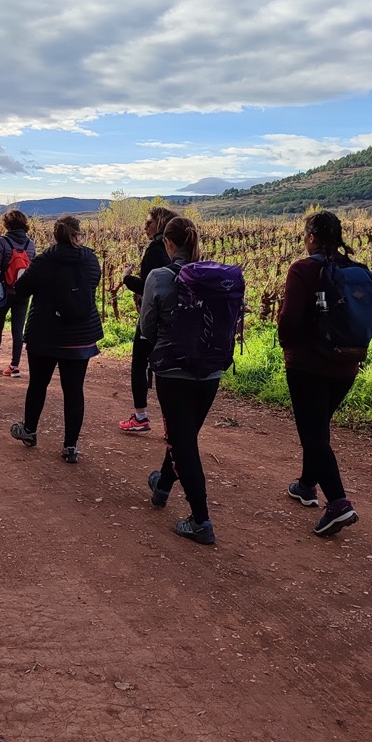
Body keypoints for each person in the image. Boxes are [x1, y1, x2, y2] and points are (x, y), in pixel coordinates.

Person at [278, 211, 365, 538]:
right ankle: (306, 485)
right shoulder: (355, 270)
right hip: (346, 366)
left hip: (308, 365)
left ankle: (338, 503)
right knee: (318, 427)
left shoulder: (303, 269)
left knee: (313, 433)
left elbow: (289, 319)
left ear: (311, 237)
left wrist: (289, 346)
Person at [139, 217, 225, 547]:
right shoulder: (217, 276)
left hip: (173, 370)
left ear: (169, 244)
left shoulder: (159, 276)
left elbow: (147, 328)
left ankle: (201, 520)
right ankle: (161, 485)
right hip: (211, 371)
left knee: (183, 440)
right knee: (184, 433)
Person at [9, 215, 103, 464]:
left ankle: (29, 431)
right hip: (81, 336)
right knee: (74, 392)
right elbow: (94, 284)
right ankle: (70, 446)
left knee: (38, 385)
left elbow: (22, 289)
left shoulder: (44, 260)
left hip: (45, 335)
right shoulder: (91, 259)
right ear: (78, 233)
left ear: (55, 234)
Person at [118, 205, 176, 433]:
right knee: (165, 368)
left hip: (151, 316)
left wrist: (126, 278)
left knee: (139, 364)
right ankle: (170, 422)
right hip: (172, 316)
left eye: (149, 221)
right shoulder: (176, 248)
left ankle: (140, 417)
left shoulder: (155, 248)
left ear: (160, 223)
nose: (145, 226)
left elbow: (148, 286)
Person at [0, 209, 36, 377]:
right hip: (23, 293)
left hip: (4, 292)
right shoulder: (31, 244)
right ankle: (14, 366)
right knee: (18, 329)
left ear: (7, 224)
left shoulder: (2, 242)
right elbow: (33, 271)